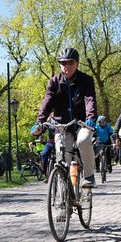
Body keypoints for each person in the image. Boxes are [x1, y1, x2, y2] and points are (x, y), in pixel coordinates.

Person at [32, 47, 97, 187]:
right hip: (62, 125)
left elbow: (89, 100)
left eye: (70, 62)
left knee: (84, 141)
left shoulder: (86, 80)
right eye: (63, 63)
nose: (66, 66)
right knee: (62, 153)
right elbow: (47, 103)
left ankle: (89, 175)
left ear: (77, 63)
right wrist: (40, 123)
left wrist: (90, 119)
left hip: (81, 122)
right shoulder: (54, 82)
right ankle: (64, 189)